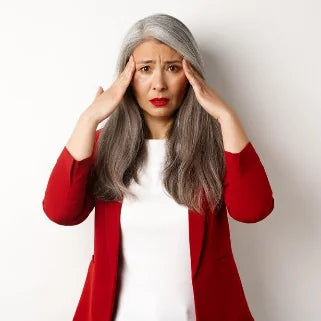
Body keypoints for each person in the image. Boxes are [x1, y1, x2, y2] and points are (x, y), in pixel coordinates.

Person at [42, 13, 274, 321]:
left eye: (173, 68)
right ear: (126, 77)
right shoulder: (101, 146)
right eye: (145, 69)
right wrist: (89, 119)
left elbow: (253, 209)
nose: (159, 84)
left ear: (192, 76)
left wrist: (226, 117)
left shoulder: (217, 145)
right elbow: (61, 212)